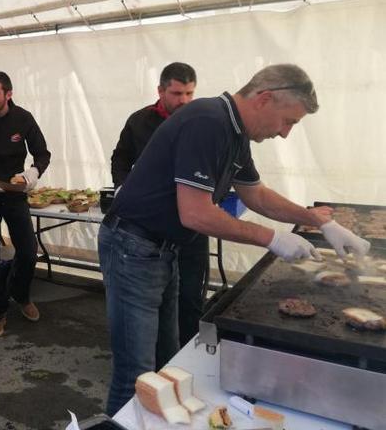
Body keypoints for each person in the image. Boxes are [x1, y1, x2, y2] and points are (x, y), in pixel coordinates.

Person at [98, 63, 370, 415]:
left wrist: (316, 221)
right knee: (135, 372)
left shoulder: (235, 131)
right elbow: (194, 213)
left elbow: (255, 194)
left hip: (162, 250)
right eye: (289, 121)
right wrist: (271, 238)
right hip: (131, 248)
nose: (285, 133)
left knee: (166, 361)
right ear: (265, 98)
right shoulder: (208, 121)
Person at [111, 63, 205, 347]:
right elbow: (120, 158)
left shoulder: (202, 122)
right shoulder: (139, 121)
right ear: (161, 91)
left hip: (192, 223)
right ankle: (155, 355)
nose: (184, 101)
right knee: (154, 294)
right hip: (152, 225)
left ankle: (187, 354)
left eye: (190, 93)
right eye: (177, 93)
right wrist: (122, 189)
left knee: (189, 294)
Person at [0, 71, 51, 338]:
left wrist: (32, 173)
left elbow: (42, 152)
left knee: (29, 249)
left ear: (8, 94)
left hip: (14, 192)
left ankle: (20, 295)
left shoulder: (23, 119)